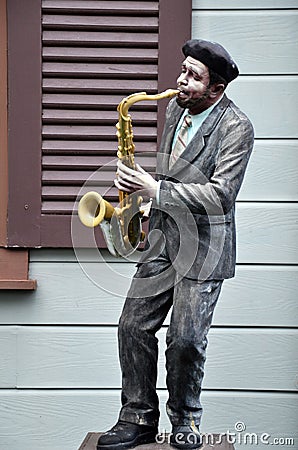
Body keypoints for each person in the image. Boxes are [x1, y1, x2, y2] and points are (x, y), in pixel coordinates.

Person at [97, 39, 254, 450]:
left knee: (184, 340)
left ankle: (185, 420)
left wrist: (155, 188)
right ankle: (137, 417)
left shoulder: (238, 128)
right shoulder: (174, 110)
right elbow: (170, 172)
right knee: (131, 326)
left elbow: (221, 196)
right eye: (182, 71)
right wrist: (139, 193)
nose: (180, 82)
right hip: (163, 239)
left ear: (216, 89)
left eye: (193, 77)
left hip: (204, 247)